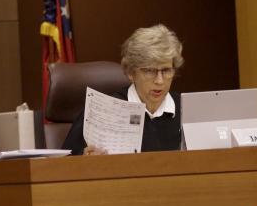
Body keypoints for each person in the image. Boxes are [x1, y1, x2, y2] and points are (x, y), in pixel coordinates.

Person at [62, 24, 184, 155]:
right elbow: (61, 165)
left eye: (166, 70)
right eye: (149, 71)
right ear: (131, 73)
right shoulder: (101, 111)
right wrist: (85, 159)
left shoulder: (186, 109)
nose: (159, 81)